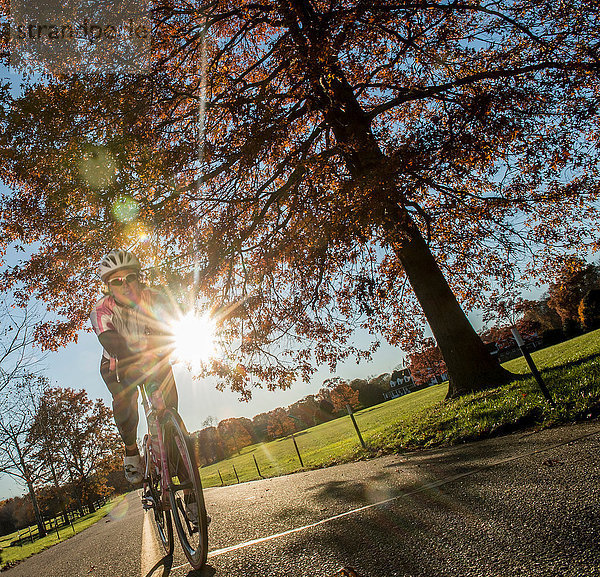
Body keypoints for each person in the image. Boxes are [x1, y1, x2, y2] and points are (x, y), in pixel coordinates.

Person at [90, 249, 178, 484]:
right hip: (117, 362)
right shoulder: (101, 310)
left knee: (171, 415)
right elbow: (113, 343)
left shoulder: (156, 298)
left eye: (130, 277)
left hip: (152, 356)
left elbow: (171, 329)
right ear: (108, 288)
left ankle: (189, 492)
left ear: (139, 278)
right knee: (125, 401)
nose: (125, 284)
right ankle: (130, 449)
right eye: (117, 281)